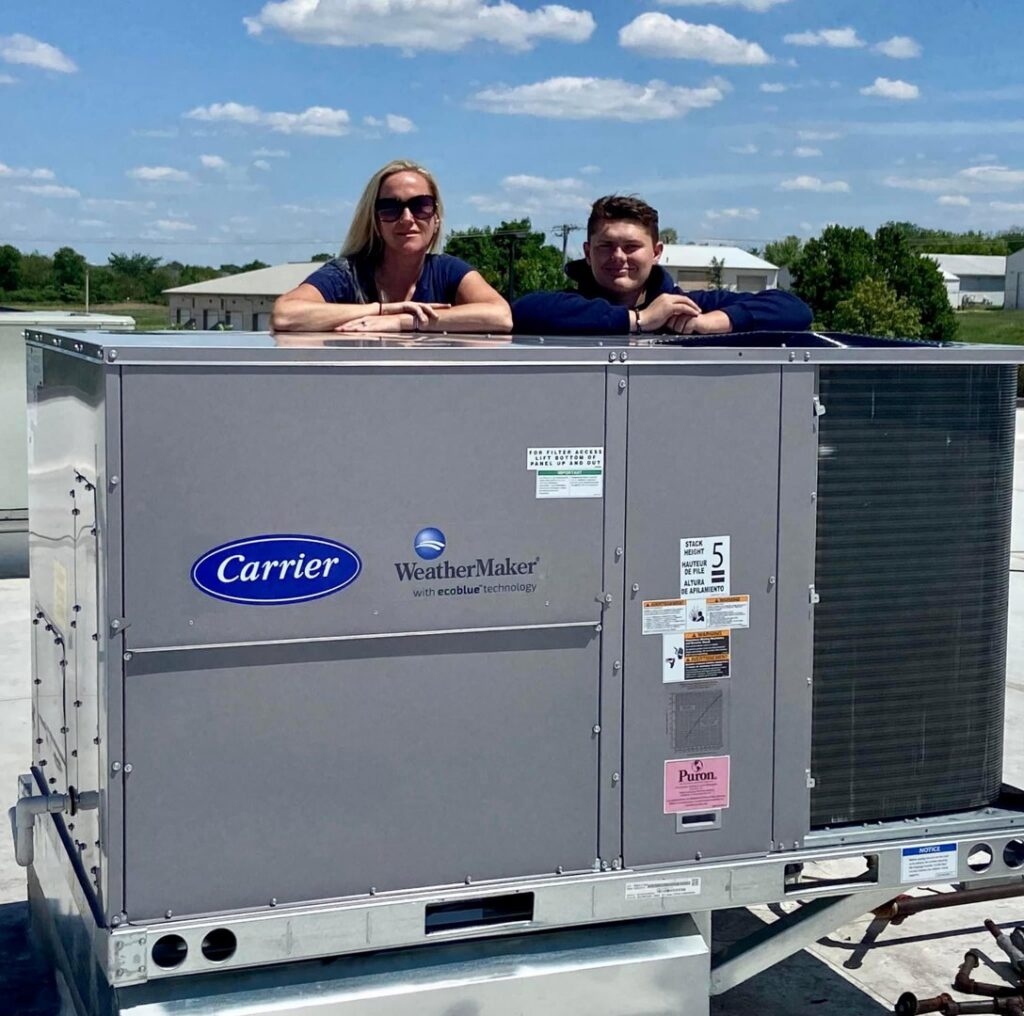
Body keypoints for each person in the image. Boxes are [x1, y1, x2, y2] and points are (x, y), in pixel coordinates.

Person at [512, 195, 812, 336]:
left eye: (631, 247)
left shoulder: (688, 307)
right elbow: (522, 312)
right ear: (587, 253)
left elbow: (795, 309)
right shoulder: (565, 307)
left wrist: (714, 322)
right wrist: (640, 320)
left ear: (656, 252)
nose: (618, 257)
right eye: (606, 246)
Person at [272, 160, 512, 333]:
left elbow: (500, 315)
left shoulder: (447, 271)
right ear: (375, 220)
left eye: (421, 206)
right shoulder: (347, 274)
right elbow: (285, 314)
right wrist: (382, 310)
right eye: (390, 208)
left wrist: (404, 322)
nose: (407, 218)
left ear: (436, 218)